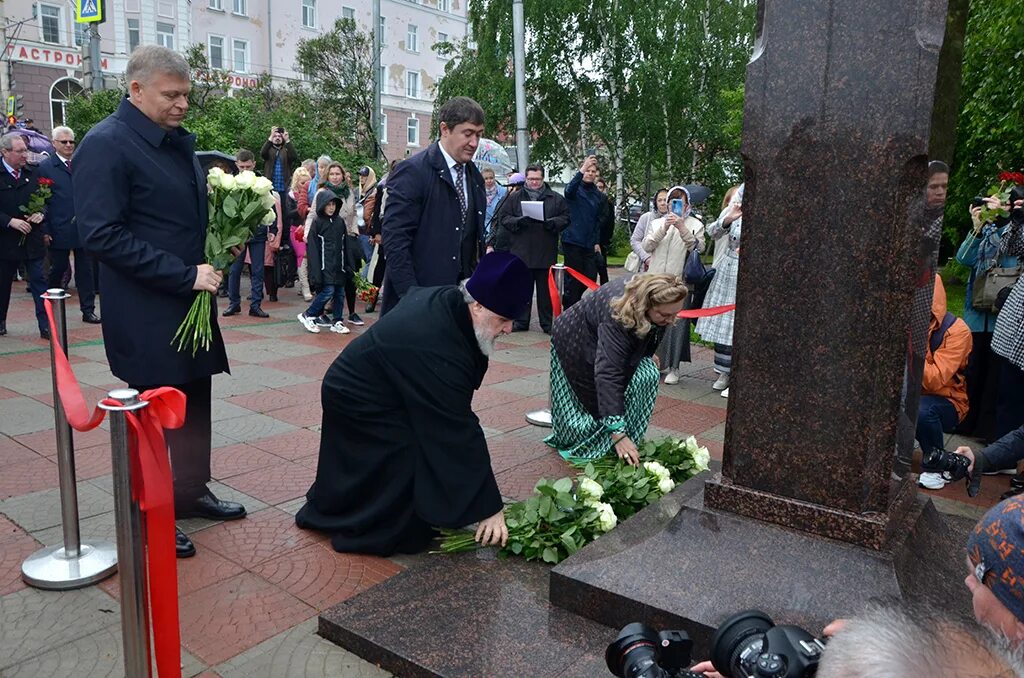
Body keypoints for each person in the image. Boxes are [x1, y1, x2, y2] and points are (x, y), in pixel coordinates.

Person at [75, 45, 245, 559]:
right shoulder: (106, 144)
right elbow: (101, 235)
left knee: (193, 399)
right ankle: (151, 510)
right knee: (152, 411)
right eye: (172, 95)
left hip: (187, 298)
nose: (182, 105)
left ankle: (190, 491)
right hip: (147, 307)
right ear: (136, 89)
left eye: (186, 95)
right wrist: (183, 274)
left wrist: (221, 242)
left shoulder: (171, 142)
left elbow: (176, 218)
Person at [295, 251, 534, 555]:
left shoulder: (454, 305)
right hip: (355, 395)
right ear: (477, 305)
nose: (509, 329)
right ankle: (371, 522)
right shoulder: (434, 341)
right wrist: (490, 507)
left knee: (426, 439)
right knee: (406, 449)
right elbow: (457, 428)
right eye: (503, 319)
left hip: (385, 385)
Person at [545, 273, 687, 463]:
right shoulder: (617, 318)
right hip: (573, 339)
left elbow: (651, 329)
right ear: (646, 306)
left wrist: (646, 353)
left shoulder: (656, 300)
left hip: (600, 332)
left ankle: (621, 436)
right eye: (665, 315)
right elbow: (608, 374)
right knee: (587, 393)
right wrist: (617, 433)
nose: (671, 320)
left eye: (675, 314)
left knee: (647, 374)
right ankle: (601, 439)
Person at [380, 96, 486, 315]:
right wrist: (413, 298)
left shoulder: (475, 177)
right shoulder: (413, 172)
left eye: (479, 134)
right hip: (418, 303)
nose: (474, 143)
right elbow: (395, 241)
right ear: (445, 129)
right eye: (467, 134)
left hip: (459, 303)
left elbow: (471, 240)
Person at [956, 187, 1021, 443]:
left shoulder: (1014, 232)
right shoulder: (984, 232)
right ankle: (966, 423)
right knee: (973, 371)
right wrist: (977, 227)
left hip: (999, 316)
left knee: (995, 376)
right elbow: (963, 258)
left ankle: (987, 429)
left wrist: (1006, 223)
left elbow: (1009, 259)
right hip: (976, 315)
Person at [493, 163, 569, 333]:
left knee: (545, 292)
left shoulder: (555, 198)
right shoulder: (514, 198)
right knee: (522, 290)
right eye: (531, 179)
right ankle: (521, 321)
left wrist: (553, 223)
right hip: (521, 252)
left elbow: (565, 218)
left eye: (537, 179)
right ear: (525, 179)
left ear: (543, 179)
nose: (534, 182)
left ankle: (547, 323)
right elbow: (504, 218)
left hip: (545, 252)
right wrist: (518, 221)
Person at [640, 186, 704, 384]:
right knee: (649, 323)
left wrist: (682, 228)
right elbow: (647, 246)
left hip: (679, 282)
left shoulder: (695, 224)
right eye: (672, 203)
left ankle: (674, 368)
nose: (675, 207)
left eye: (680, 203)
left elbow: (698, 247)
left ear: (687, 206)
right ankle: (648, 362)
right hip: (655, 280)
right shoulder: (657, 222)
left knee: (677, 325)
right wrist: (665, 227)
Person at [915, 275, 972, 490]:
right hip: (908, 394)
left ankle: (936, 466)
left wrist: (912, 345)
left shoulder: (958, 331)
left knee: (921, 411)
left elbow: (934, 380)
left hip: (949, 402)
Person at [39, 126, 99, 324]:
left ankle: (88, 310)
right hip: (59, 227)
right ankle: (51, 302)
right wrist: (46, 229)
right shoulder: (46, 167)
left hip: (83, 226)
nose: (68, 145)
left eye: (71, 141)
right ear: (54, 143)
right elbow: (42, 201)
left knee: (86, 270)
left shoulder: (82, 163)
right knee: (59, 268)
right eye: (63, 142)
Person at [696, 183, 743, 397]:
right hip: (729, 268)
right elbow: (712, 232)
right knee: (723, 323)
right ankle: (723, 372)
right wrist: (728, 218)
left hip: (751, 271)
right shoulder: (734, 208)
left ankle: (739, 376)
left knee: (741, 325)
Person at [0, 133, 48, 339]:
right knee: (3, 285)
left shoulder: (33, 172)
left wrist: (41, 213)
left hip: (32, 240)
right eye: (19, 151)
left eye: (25, 151)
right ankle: (1, 320)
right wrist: (9, 221)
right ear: (5, 152)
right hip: (5, 241)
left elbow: (45, 200)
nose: (24, 155)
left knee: (39, 282)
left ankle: (45, 325)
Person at [222, 149, 271, 319]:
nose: (244, 170)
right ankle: (233, 303)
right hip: (238, 233)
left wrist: (274, 229)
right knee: (235, 269)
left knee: (257, 270)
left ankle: (255, 305)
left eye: (248, 167)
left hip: (257, 231)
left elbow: (268, 206)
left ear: (254, 164)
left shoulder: (262, 182)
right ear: (236, 164)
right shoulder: (232, 183)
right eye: (241, 166)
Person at [297, 189, 351, 335]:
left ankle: (337, 320)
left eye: (334, 204)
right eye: (328, 204)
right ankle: (308, 314)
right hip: (324, 265)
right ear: (322, 205)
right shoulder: (318, 223)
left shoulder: (340, 222)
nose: (331, 207)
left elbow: (345, 244)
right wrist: (315, 271)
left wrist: (348, 264)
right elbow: (313, 249)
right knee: (329, 291)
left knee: (340, 292)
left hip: (338, 265)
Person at [561, 155, 604, 308]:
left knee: (590, 276)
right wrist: (582, 168)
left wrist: (597, 241)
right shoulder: (574, 190)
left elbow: (597, 220)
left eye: (593, 171)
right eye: (588, 170)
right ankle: (569, 306)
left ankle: (573, 300)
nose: (590, 173)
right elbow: (568, 190)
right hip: (573, 240)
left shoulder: (597, 195)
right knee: (573, 278)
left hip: (589, 242)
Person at [629, 188, 669, 272]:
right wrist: (646, 258)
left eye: (665, 200)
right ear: (655, 202)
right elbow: (635, 240)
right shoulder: (646, 217)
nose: (662, 203)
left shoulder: (674, 221)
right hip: (645, 267)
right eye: (659, 200)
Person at [260, 126, 297, 194]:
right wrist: (271, 136)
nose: (277, 138)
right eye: (275, 136)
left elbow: (294, 157)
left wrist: (287, 140)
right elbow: (263, 153)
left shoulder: (286, 150)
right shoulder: (268, 150)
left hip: (284, 187)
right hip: (270, 187)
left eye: (279, 136)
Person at [595, 177, 615, 285]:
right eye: (597, 187)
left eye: (601, 187)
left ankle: (605, 288)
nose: (599, 189)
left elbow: (610, 222)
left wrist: (607, 239)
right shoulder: (590, 201)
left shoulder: (608, 203)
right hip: (590, 239)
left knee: (602, 267)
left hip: (602, 240)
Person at [481, 167, 507, 246]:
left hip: (500, 228)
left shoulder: (504, 191)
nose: (489, 181)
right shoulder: (479, 193)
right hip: (486, 228)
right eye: (486, 178)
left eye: (491, 178)